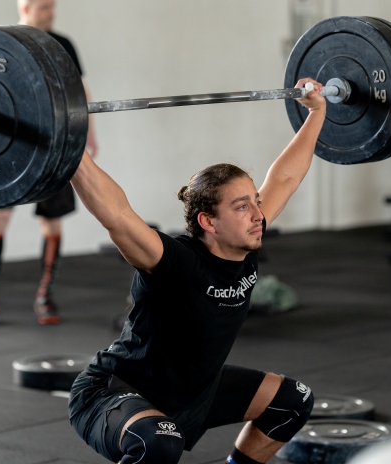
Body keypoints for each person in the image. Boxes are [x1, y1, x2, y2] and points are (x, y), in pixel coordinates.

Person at [68, 77, 326, 464]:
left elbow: (286, 178)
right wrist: (67, 147)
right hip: (115, 391)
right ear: (208, 222)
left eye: (255, 201)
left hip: (194, 391)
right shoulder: (175, 260)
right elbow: (117, 215)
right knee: (159, 443)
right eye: (242, 206)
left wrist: (317, 113)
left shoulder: (244, 238)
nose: (258, 215)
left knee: (293, 400)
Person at [0, 0, 97, 326]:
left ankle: (45, 296)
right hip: (11, 144)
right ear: (25, 6)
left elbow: (80, 92)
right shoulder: (4, 40)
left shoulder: (63, 43)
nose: (51, 12)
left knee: (51, 222)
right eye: (44, 6)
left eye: (52, 6)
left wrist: (88, 134)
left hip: (53, 143)